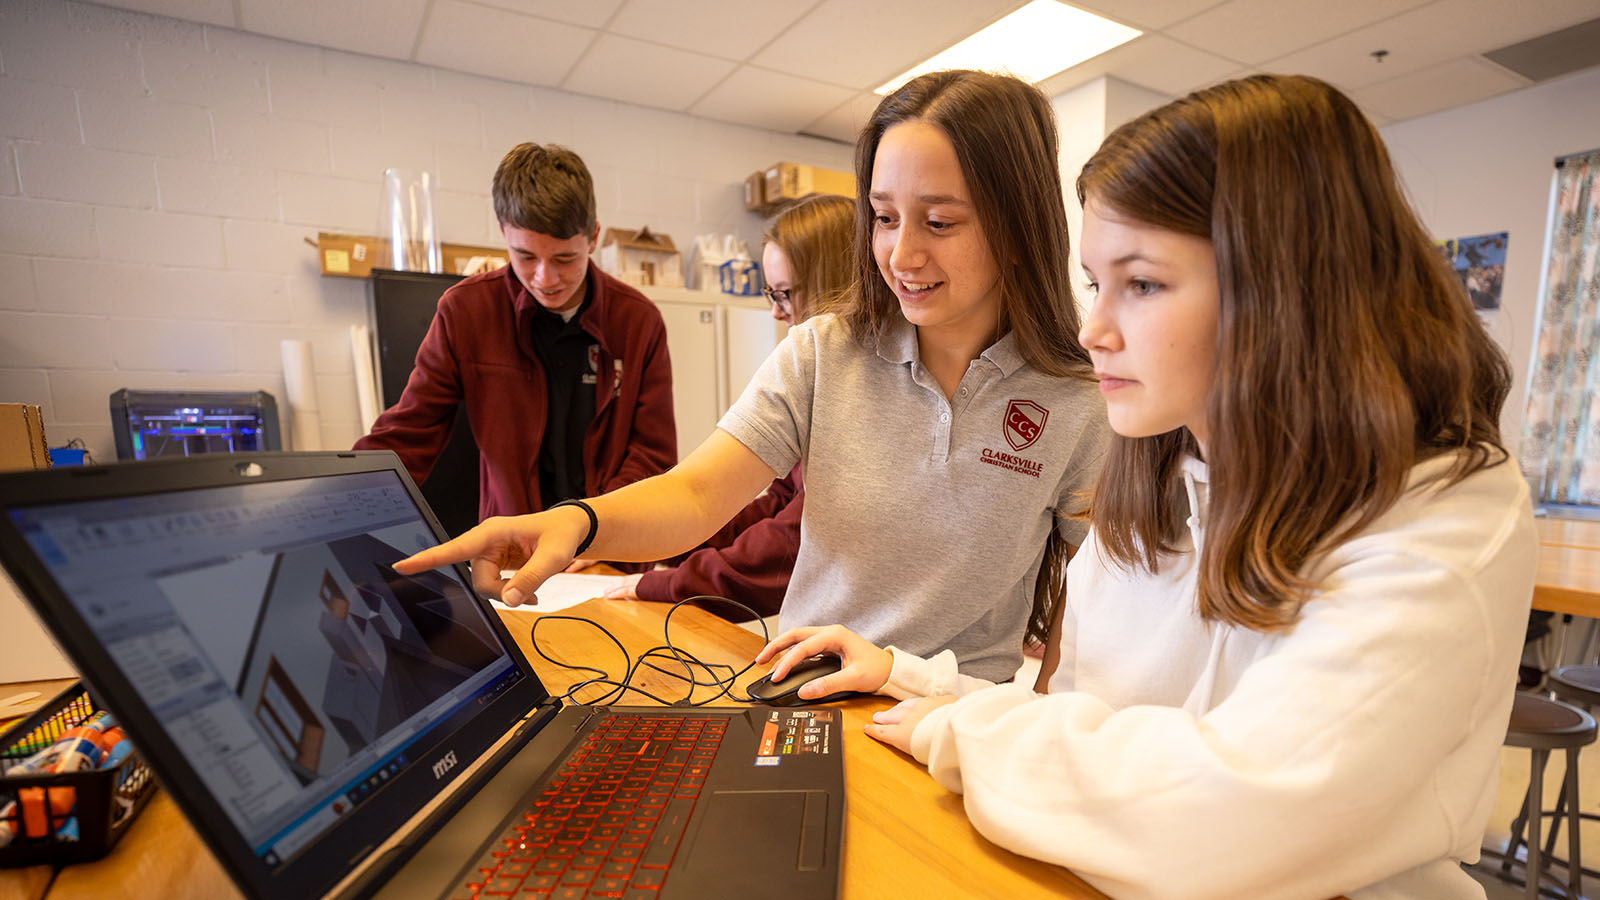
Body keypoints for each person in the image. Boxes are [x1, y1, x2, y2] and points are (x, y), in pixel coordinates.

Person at [757, 74, 1536, 900]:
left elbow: (1228, 818)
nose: (1094, 329)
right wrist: (911, 678)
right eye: (1097, 283)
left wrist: (959, 728)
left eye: (1143, 284)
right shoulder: (1163, 469)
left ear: (1287, 290)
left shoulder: (1447, 517)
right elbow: (1091, 720)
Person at [396, 70, 1111, 686]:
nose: (901, 253)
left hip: (954, 726)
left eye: (940, 223)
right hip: (803, 692)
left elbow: (1088, 611)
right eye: (885, 218)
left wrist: (1039, 734)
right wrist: (581, 523)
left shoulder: (1079, 403)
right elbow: (699, 492)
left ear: (1017, 226)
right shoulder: (826, 352)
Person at [355, 143, 676, 527]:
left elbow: (652, 453)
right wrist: (343, 502)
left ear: (593, 237)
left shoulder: (638, 321)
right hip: (511, 545)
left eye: (564, 258)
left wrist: (595, 529)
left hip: (607, 546)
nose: (546, 279)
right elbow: (409, 433)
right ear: (502, 230)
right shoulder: (465, 312)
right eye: (525, 256)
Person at [604, 193, 855, 619]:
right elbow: (778, 498)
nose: (776, 313)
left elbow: (790, 542)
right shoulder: (823, 373)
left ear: (827, 287)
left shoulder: (858, 392)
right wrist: (669, 550)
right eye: (769, 294)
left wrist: (664, 582)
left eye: (784, 294)